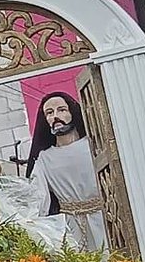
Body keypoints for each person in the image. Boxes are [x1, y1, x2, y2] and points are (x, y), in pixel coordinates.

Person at [25, 92, 106, 252]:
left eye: (61, 110)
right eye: (49, 113)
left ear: (72, 113)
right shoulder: (44, 159)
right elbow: (39, 199)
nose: (55, 116)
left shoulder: (94, 146)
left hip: (105, 219)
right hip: (71, 226)